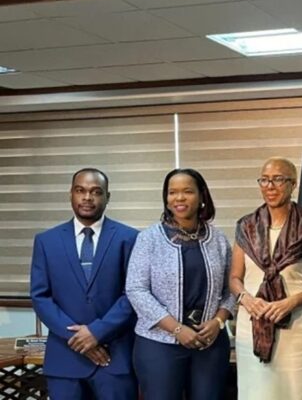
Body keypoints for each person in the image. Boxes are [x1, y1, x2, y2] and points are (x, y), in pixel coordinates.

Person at [126, 168, 235, 400]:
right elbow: (136, 290)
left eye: (188, 191)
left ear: (202, 196)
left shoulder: (218, 239)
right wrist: (177, 329)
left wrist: (218, 321)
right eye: (172, 192)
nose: (179, 198)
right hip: (159, 344)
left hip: (210, 344)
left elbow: (232, 288)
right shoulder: (149, 238)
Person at [30, 168, 139, 399]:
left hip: (114, 357)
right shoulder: (46, 241)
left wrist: (97, 332)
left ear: (107, 197)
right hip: (65, 358)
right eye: (80, 190)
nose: (87, 197)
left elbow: (133, 294)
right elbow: (41, 297)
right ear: (70, 194)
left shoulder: (130, 238)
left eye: (96, 192)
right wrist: (79, 339)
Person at [230, 157, 302, 400]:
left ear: (293, 184)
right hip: (252, 323)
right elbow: (235, 278)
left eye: (278, 180)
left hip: (295, 325)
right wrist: (246, 299)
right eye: (264, 180)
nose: (270, 186)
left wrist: (291, 303)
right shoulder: (246, 226)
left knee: (293, 393)